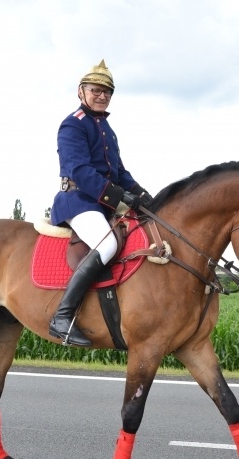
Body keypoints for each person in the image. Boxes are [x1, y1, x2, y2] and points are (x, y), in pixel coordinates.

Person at [48, 59, 153, 347]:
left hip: (102, 204)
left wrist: (142, 194)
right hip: (78, 201)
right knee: (107, 244)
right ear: (81, 91)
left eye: (107, 92)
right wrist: (119, 197)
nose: (102, 95)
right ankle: (62, 316)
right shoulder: (73, 124)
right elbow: (79, 170)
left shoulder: (107, 129)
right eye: (96, 90)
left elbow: (119, 172)